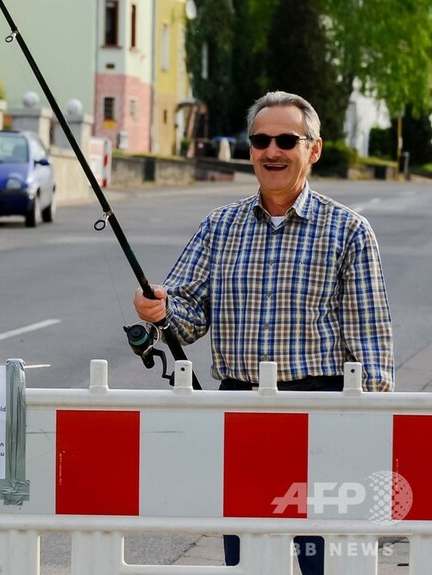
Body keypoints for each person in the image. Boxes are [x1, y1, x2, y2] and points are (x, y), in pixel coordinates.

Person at [133, 91, 394, 574]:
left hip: (322, 414)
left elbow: (372, 348)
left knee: (322, 558)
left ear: (313, 149)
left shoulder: (350, 232)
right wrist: (160, 307)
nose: (271, 151)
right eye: (260, 140)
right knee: (248, 555)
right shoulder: (219, 226)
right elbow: (186, 316)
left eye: (286, 140)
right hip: (240, 413)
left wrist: (369, 428)